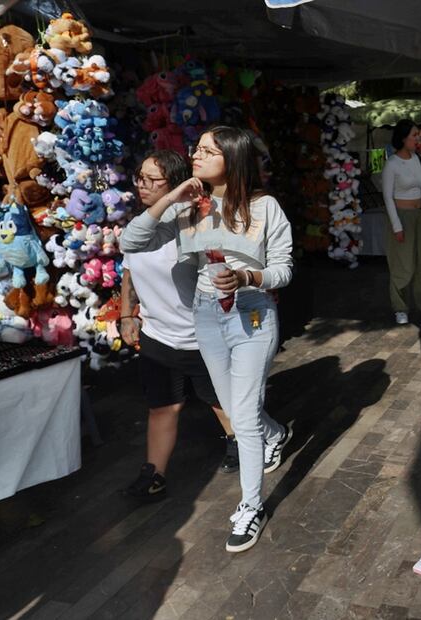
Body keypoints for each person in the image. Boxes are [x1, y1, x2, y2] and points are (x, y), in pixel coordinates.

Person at [121, 126, 293, 554]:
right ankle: (275, 433)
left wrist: (248, 275)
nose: (195, 156)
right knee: (236, 407)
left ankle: (251, 505)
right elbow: (131, 240)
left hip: (251, 311)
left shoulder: (265, 207)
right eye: (196, 149)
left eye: (206, 151)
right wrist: (172, 195)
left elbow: (284, 269)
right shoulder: (187, 209)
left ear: (230, 159)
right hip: (206, 314)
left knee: (244, 418)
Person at [120, 150, 238, 503]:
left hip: (198, 336)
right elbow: (129, 270)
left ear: (174, 183)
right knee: (162, 406)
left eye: (151, 180)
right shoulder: (139, 225)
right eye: (139, 177)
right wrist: (128, 314)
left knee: (220, 400)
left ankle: (240, 444)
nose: (142, 185)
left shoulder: (190, 225)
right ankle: (154, 474)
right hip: (157, 336)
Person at [381, 119, 421, 324]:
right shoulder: (392, 164)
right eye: (414, 135)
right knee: (402, 264)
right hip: (402, 216)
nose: (418, 139)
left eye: (418, 135)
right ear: (403, 137)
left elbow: (420, 188)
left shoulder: (416, 159)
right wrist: (397, 225)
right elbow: (388, 197)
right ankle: (400, 307)